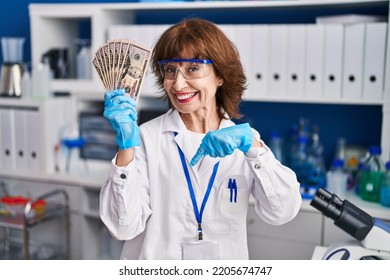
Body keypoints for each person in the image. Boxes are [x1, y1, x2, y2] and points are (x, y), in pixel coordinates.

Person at [100, 18, 302, 260]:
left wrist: (255, 149)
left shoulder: (245, 142)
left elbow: (281, 212)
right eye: (170, 70)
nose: (178, 83)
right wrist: (125, 148)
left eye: (193, 68)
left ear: (220, 75)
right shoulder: (145, 138)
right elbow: (123, 227)